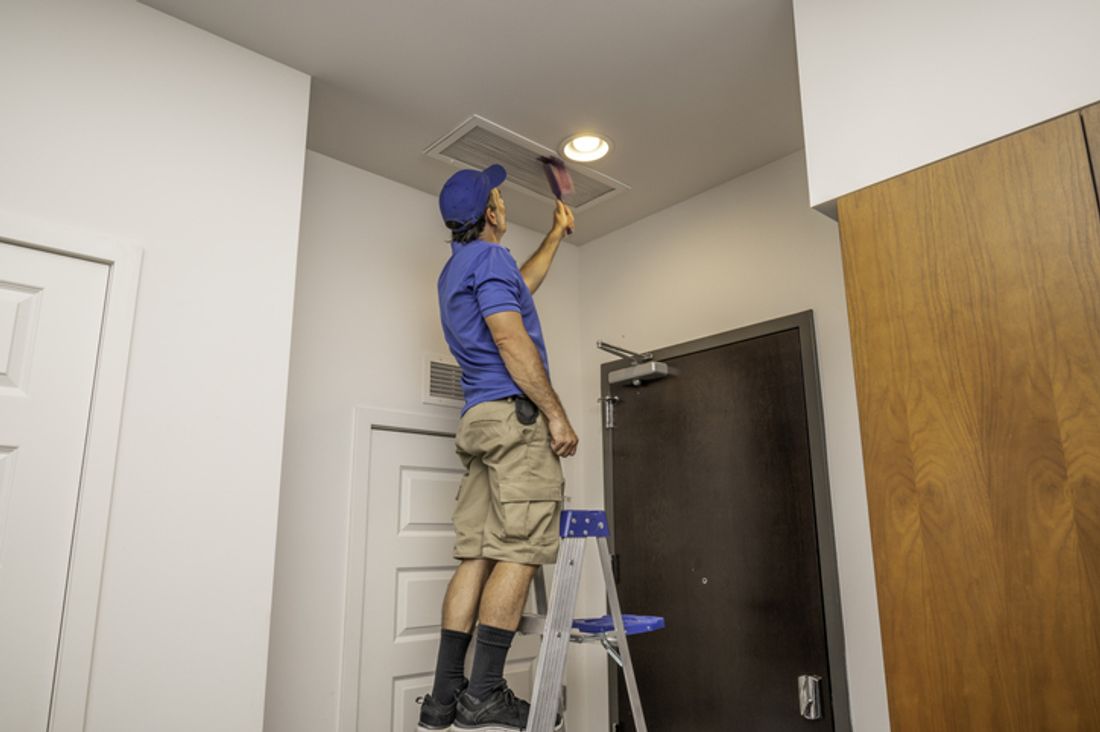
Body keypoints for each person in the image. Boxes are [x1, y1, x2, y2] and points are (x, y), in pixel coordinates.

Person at [418, 163, 578, 732]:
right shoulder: (489, 260)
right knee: (519, 547)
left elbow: (520, 285)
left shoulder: (460, 268)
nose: (504, 205)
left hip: (479, 420)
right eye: (501, 199)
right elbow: (509, 333)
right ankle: (484, 691)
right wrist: (556, 414)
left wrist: (554, 236)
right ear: (491, 213)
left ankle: (444, 697)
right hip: (515, 420)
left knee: (477, 553)